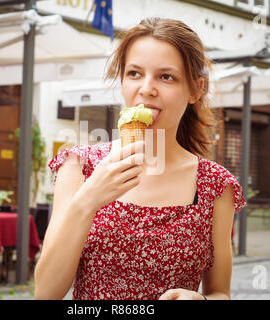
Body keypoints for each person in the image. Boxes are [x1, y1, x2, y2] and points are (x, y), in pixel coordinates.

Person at [34, 17, 247, 300]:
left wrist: (203, 300)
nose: (146, 88)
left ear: (196, 89)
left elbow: (220, 291)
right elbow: (45, 293)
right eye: (134, 73)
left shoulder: (215, 185)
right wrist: (88, 199)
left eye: (166, 76)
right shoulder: (79, 166)